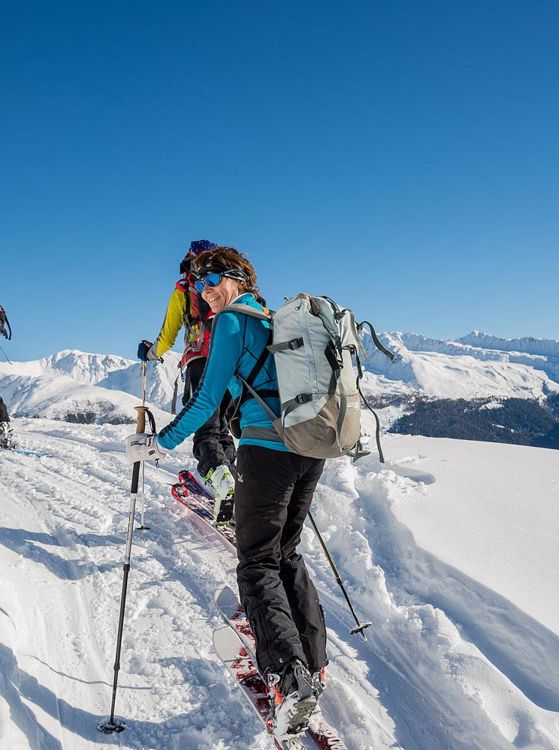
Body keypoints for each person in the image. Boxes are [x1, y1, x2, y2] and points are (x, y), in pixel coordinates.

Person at [127, 246, 328, 741]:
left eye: (211, 278)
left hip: (267, 450)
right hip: (310, 448)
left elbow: (206, 401)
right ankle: (314, 665)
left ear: (238, 278)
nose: (203, 289)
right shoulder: (276, 320)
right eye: (198, 283)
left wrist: (159, 443)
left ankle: (286, 677)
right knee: (286, 553)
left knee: (256, 561)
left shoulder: (233, 324)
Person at [137, 240, 236, 524]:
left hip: (199, 363)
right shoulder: (226, 285)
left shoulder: (184, 290)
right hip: (230, 365)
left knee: (205, 432)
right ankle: (229, 482)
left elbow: (167, 336)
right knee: (223, 431)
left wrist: (150, 352)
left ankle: (223, 482)